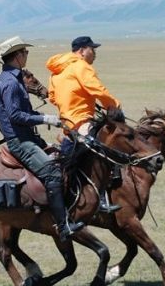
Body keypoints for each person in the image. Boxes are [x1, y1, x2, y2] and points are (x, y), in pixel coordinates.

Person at [0, 36, 85, 242]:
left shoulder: (14, 79)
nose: (27, 55)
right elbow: (15, 115)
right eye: (25, 52)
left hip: (29, 137)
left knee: (61, 160)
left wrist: (52, 118)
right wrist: (45, 118)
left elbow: (23, 111)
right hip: (20, 141)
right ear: (17, 56)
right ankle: (63, 226)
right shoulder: (10, 83)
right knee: (52, 173)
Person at [46, 36, 122, 213]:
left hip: (67, 123)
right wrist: (114, 105)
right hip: (82, 121)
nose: (95, 53)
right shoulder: (81, 66)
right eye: (92, 49)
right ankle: (101, 198)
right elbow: (96, 88)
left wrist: (74, 100)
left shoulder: (57, 71)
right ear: (81, 50)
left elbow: (52, 97)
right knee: (106, 151)